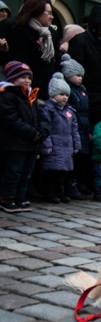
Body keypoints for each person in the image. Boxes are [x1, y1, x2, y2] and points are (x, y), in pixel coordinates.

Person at [0, 62, 50, 213]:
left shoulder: (31, 96)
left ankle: (20, 197)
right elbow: (12, 120)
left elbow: (42, 117)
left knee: (26, 173)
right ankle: (7, 198)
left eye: (29, 77)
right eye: (23, 77)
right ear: (12, 78)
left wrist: (43, 131)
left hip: (31, 143)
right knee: (14, 171)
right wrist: (32, 133)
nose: (27, 80)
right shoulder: (7, 96)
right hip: (16, 143)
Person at [4, 0, 59, 100]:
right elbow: (20, 61)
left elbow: (56, 60)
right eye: (49, 13)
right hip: (29, 91)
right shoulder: (21, 32)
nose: (52, 17)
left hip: (48, 90)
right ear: (37, 12)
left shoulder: (50, 33)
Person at [39, 73, 81, 204]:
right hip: (53, 146)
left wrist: (76, 144)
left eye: (66, 95)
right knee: (51, 172)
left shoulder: (69, 111)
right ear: (52, 94)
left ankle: (60, 192)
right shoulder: (48, 109)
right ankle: (49, 193)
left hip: (66, 145)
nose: (64, 97)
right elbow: (46, 129)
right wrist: (47, 145)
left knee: (62, 173)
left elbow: (74, 129)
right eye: (61, 94)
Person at [61, 53, 93, 198]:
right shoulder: (68, 91)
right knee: (74, 159)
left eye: (81, 75)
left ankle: (81, 184)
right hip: (75, 127)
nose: (80, 78)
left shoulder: (83, 91)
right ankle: (70, 185)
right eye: (77, 75)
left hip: (84, 126)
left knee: (83, 160)